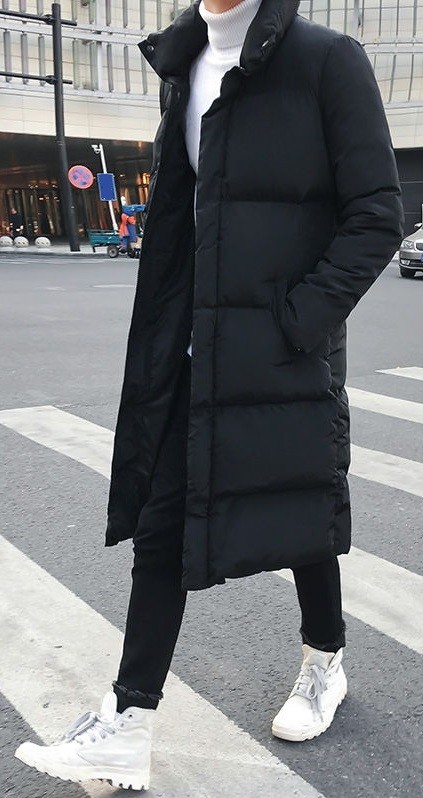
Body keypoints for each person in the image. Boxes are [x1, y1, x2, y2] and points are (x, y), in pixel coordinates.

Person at [15, 0, 403, 790]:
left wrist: (295, 323)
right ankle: (129, 722)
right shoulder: (184, 64)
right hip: (194, 350)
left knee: (302, 511)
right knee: (162, 524)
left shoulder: (327, 60)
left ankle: (324, 663)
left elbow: (377, 215)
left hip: (284, 352)